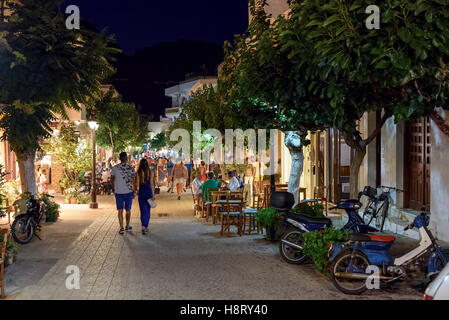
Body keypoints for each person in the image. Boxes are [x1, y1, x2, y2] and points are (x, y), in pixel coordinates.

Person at [111, 152, 137, 235]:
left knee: (120, 211)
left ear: (119, 158)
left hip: (118, 192)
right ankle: (127, 225)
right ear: (126, 158)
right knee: (128, 210)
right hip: (128, 191)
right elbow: (134, 181)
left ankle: (121, 227)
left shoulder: (115, 168)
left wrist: (114, 188)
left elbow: (112, 180)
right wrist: (134, 190)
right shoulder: (130, 168)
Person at [137, 158, 155, 235]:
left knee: (142, 210)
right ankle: (146, 226)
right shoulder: (150, 172)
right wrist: (153, 194)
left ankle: (143, 226)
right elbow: (152, 184)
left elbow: (138, 184)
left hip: (142, 191)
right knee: (147, 210)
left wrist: (137, 191)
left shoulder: (138, 172)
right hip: (148, 191)